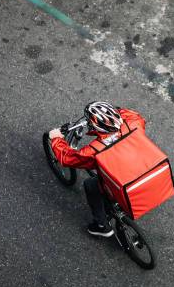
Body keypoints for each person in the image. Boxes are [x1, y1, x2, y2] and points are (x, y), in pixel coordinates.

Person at [49, 101, 146, 237]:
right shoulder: (135, 123)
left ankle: (102, 226)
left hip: (122, 179)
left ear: (94, 125)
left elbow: (67, 159)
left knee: (90, 185)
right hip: (143, 167)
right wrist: (113, 111)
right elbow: (133, 115)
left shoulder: (94, 150)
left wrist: (56, 139)